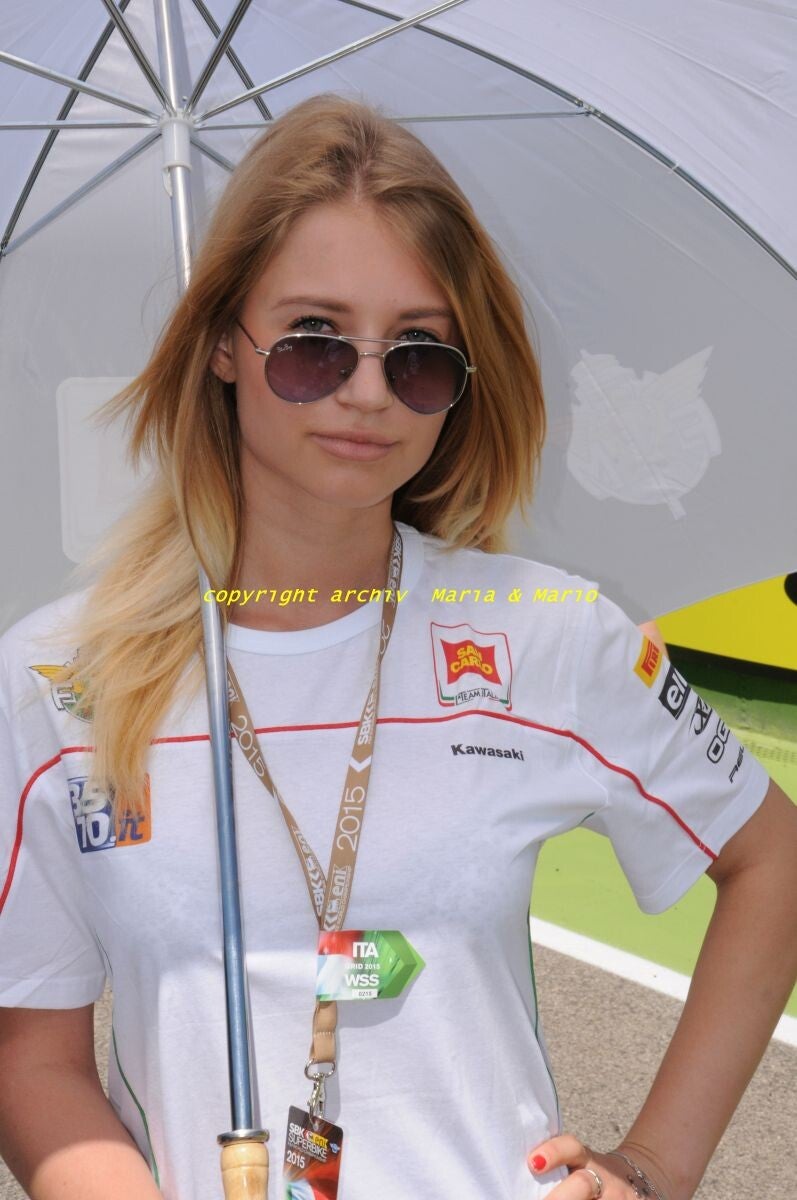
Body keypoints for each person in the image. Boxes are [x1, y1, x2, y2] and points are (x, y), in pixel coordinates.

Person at [0, 93, 795, 1200]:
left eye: (418, 354)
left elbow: (773, 858)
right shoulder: (55, 679)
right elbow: (32, 1058)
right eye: (313, 343)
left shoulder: (549, 633)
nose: (368, 392)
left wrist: (653, 1167)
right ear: (223, 345)